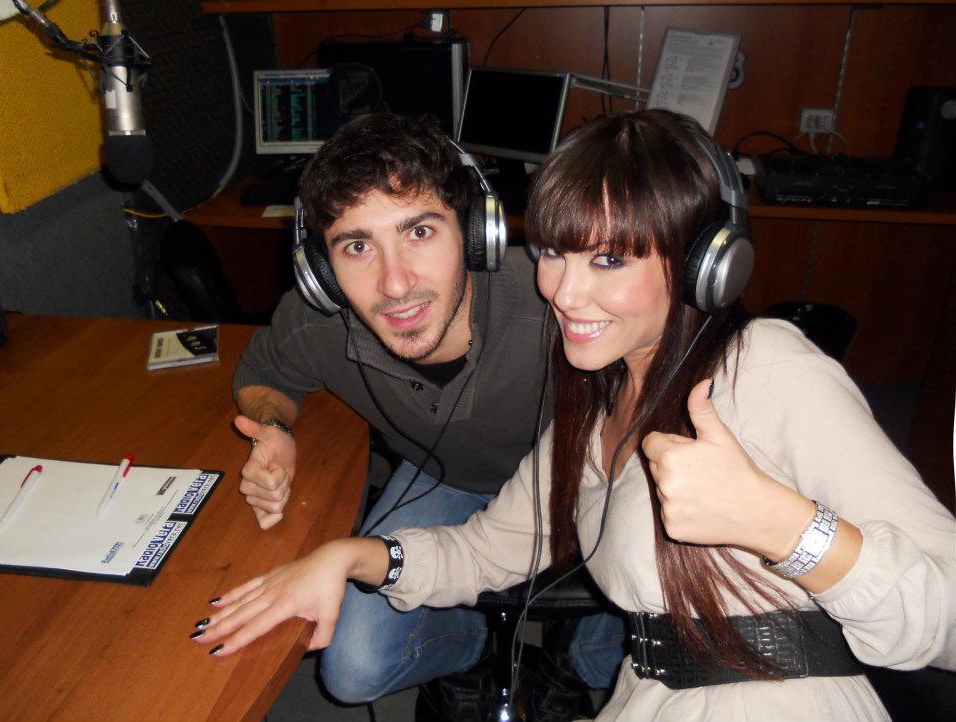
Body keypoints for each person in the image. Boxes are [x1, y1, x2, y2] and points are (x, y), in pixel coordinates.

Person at [195, 110, 955, 720]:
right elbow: (487, 551)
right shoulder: (595, 410)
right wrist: (348, 556)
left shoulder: (765, 367)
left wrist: (786, 528)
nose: (563, 292)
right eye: (557, 253)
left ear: (704, 264)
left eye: (609, 260)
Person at [224, 112, 624, 719]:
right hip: (448, 478)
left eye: (419, 231)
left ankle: (571, 658)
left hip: (583, 478)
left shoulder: (560, 301)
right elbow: (263, 375)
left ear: (474, 231)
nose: (394, 283)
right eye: (357, 246)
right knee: (353, 669)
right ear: (322, 270)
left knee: (621, 651)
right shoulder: (321, 320)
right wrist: (274, 428)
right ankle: (469, 648)